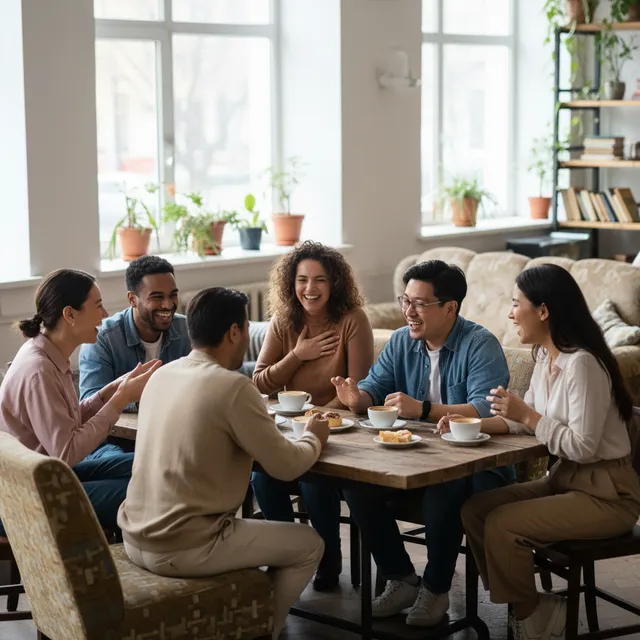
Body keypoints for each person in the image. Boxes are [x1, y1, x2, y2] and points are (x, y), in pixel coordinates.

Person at [118, 287, 331, 638]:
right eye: (246, 329)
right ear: (235, 331)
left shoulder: (162, 375)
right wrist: (313, 436)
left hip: (134, 536)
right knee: (309, 544)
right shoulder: (233, 386)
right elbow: (287, 467)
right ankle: (263, 630)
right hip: (186, 546)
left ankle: (243, 617)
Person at [460, 264, 640, 640]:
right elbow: (525, 420)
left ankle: (533, 617)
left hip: (608, 495)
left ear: (543, 311)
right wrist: (473, 425)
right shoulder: (545, 357)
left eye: (515, 304)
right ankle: (536, 608)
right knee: (476, 510)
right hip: (565, 480)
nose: (510, 314)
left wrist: (527, 413)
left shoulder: (583, 365)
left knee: (502, 523)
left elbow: (583, 446)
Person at [333, 260, 513, 627]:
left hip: (476, 465)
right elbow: (374, 386)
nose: (408, 312)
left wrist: (426, 409)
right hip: (418, 458)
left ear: (450, 308)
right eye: (405, 300)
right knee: (356, 483)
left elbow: (485, 408)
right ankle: (401, 577)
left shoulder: (480, 344)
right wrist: (356, 398)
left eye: (419, 304)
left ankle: (435, 588)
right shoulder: (402, 341)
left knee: (442, 491)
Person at [251, 241, 374, 591]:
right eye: (302, 279)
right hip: (291, 429)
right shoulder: (284, 321)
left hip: (341, 432)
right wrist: (297, 355)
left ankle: (327, 557)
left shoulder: (352, 320)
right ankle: (288, 555)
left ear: (334, 283)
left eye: (320, 280)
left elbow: (359, 389)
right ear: (291, 283)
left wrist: (319, 421)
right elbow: (260, 380)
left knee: (312, 478)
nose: (310, 288)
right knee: (262, 478)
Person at [0, 269, 159, 538]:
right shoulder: (39, 369)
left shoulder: (46, 353)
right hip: (28, 495)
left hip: (48, 476)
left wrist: (109, 393)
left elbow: (66, 424)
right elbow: (67, 452)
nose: (105, 314)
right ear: (70, 315)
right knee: (146, 490)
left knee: (147, 465)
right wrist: (122, 399)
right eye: (97, 306)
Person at [79, 256, 190, 408]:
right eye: (157, 297)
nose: (168, 304)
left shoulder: (188, 330)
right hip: (121, 431)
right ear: (132, 299)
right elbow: (89, 402)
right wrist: (145, 399)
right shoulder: (103, 339)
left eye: (173, 295)